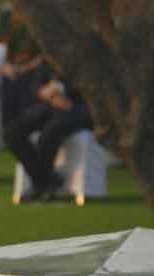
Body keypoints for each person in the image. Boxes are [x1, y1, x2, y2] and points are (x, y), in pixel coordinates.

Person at [5, 73, 93, 202]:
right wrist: (44, 92)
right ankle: (46, 181)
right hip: (50, 105)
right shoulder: (51, 57)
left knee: (50, 132)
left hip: (80, 107)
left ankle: (41, 185)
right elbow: (36, 81)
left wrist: (60, 89)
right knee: (12, 132)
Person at [0, 4, 44, 127]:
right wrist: (5, 66)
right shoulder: (5, 17)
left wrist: (25, 68)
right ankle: (8, 130)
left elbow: (45, 54)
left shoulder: (42, 17)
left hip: (34, 68)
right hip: (8, 68)